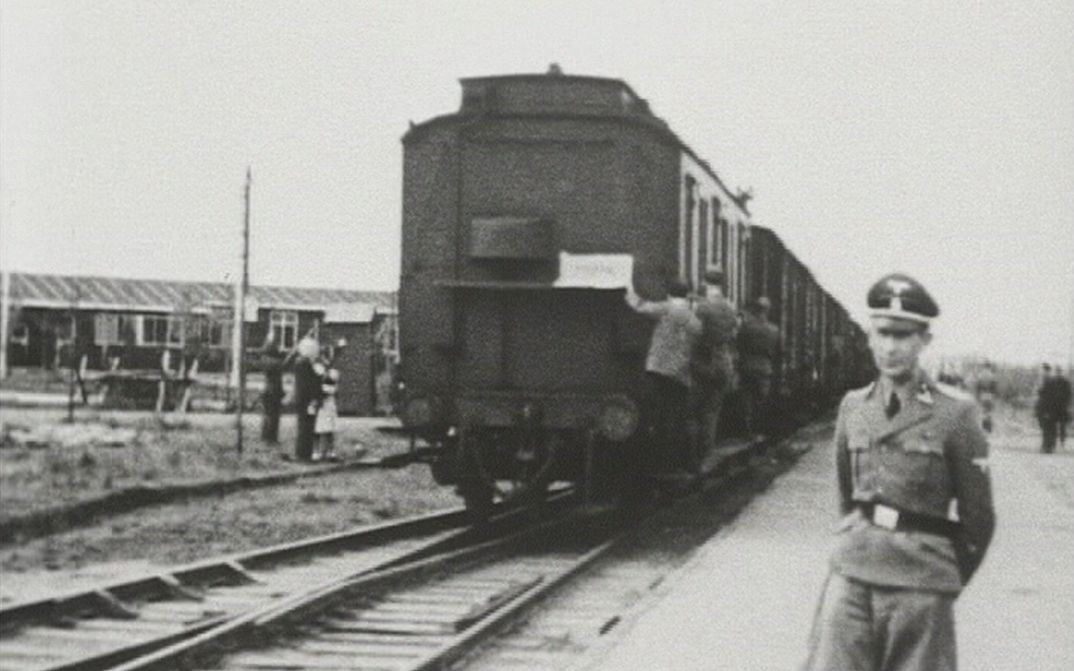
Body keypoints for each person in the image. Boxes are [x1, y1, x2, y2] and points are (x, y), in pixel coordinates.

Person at [803, 273, 995, 671]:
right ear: (870, 337)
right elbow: (847, 497)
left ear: (924, 340)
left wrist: (942, 578)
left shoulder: (956, 414)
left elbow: (979, 519)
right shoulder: (853, 406)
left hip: (921, 584)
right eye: (883, 334)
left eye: (903, 336)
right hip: (853, 574)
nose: (891, 347)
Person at [625, 277, 702, 475]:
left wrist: (626, 288)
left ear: (669, 293)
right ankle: (674, 464)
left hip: (659, 369)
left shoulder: (666, 308)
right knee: (675, 418)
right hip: (680, 374)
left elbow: (640, 307)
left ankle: (657, 464)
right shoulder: (694, 320)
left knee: (659, 417)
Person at [692, 270, 738, 462]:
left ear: (704, 283)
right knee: (712, 410)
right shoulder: (730, 307)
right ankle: (707, 450)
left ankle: (699, 455)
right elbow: (734, 332)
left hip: (704, 363)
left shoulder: (701, 307)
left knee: (696, 409)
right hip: (723, 362)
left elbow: (694, 333)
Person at [736, 296, 780, 438]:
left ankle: (746, 431)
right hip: (764, 368)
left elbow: (739, 345)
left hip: (747, 367)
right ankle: (758, 431)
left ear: (755, 310)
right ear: (768, 310)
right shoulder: (774, 330)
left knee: (746, 400)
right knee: (761, 401)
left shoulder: (746, 327)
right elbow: (777, 351)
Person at [292, 337, 322, 462]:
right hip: (307, 400)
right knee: (307, 427)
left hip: (302, 399)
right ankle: (304, 454)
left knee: (304, 426)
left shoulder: (300, 363)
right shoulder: (306, 365)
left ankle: (302, 453)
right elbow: (311, 383)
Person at [313, 347, 341, 461]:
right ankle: (316, 451)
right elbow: (315, 384)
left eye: (327, 356)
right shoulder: (316, 368)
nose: (325, 359)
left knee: (330, 426)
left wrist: (327, 388)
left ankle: (331, 451)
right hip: (319, 402)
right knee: (317, 427)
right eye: (323, 356)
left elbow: (335, 387)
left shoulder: (333, 371)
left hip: (329, 402)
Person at [260, 337, 285, 443]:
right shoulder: (272, 361)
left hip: (269, 390)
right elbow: (280, 365)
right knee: (273, 416)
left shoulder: (265, 359)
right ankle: (270, 437)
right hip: (273, 391)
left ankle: (266, 436)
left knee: (268, 415)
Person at [1036, 363, 1060, 454]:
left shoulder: (1048, 381)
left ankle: (1047, 447)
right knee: (1049, 427)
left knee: (1047, 428)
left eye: (1043, 371)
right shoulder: (1050, 380)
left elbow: (1046, 396)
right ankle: (1049, 446)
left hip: (1047, 408)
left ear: (1046, 371)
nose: (1042, 372)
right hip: (1049, 408)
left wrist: (1047, 411)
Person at [972, 360, 998, 433]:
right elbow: (995, 388)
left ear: (984, 366)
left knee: (983, 412)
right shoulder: (993, 375)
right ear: (989, 366)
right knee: (989, 412)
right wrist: (993, 396)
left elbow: (977, 387)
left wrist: (977, 397)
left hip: (982, 395)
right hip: (990, 395)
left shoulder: (980, 375)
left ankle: (983, 428)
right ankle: (988, 428)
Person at [1055, 366, 1072, 448]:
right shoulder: (1053, 382)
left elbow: (1069, 395)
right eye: (1057, 372)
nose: (1058, 373)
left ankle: (1062, 441)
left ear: (1061, 372)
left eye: (1059, 372)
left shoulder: (1065, 382)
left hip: (1063, 408)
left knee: (1062, 426)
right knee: (1053, 425)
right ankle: (1054, 441)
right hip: (1054, 407)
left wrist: (1067, 405)